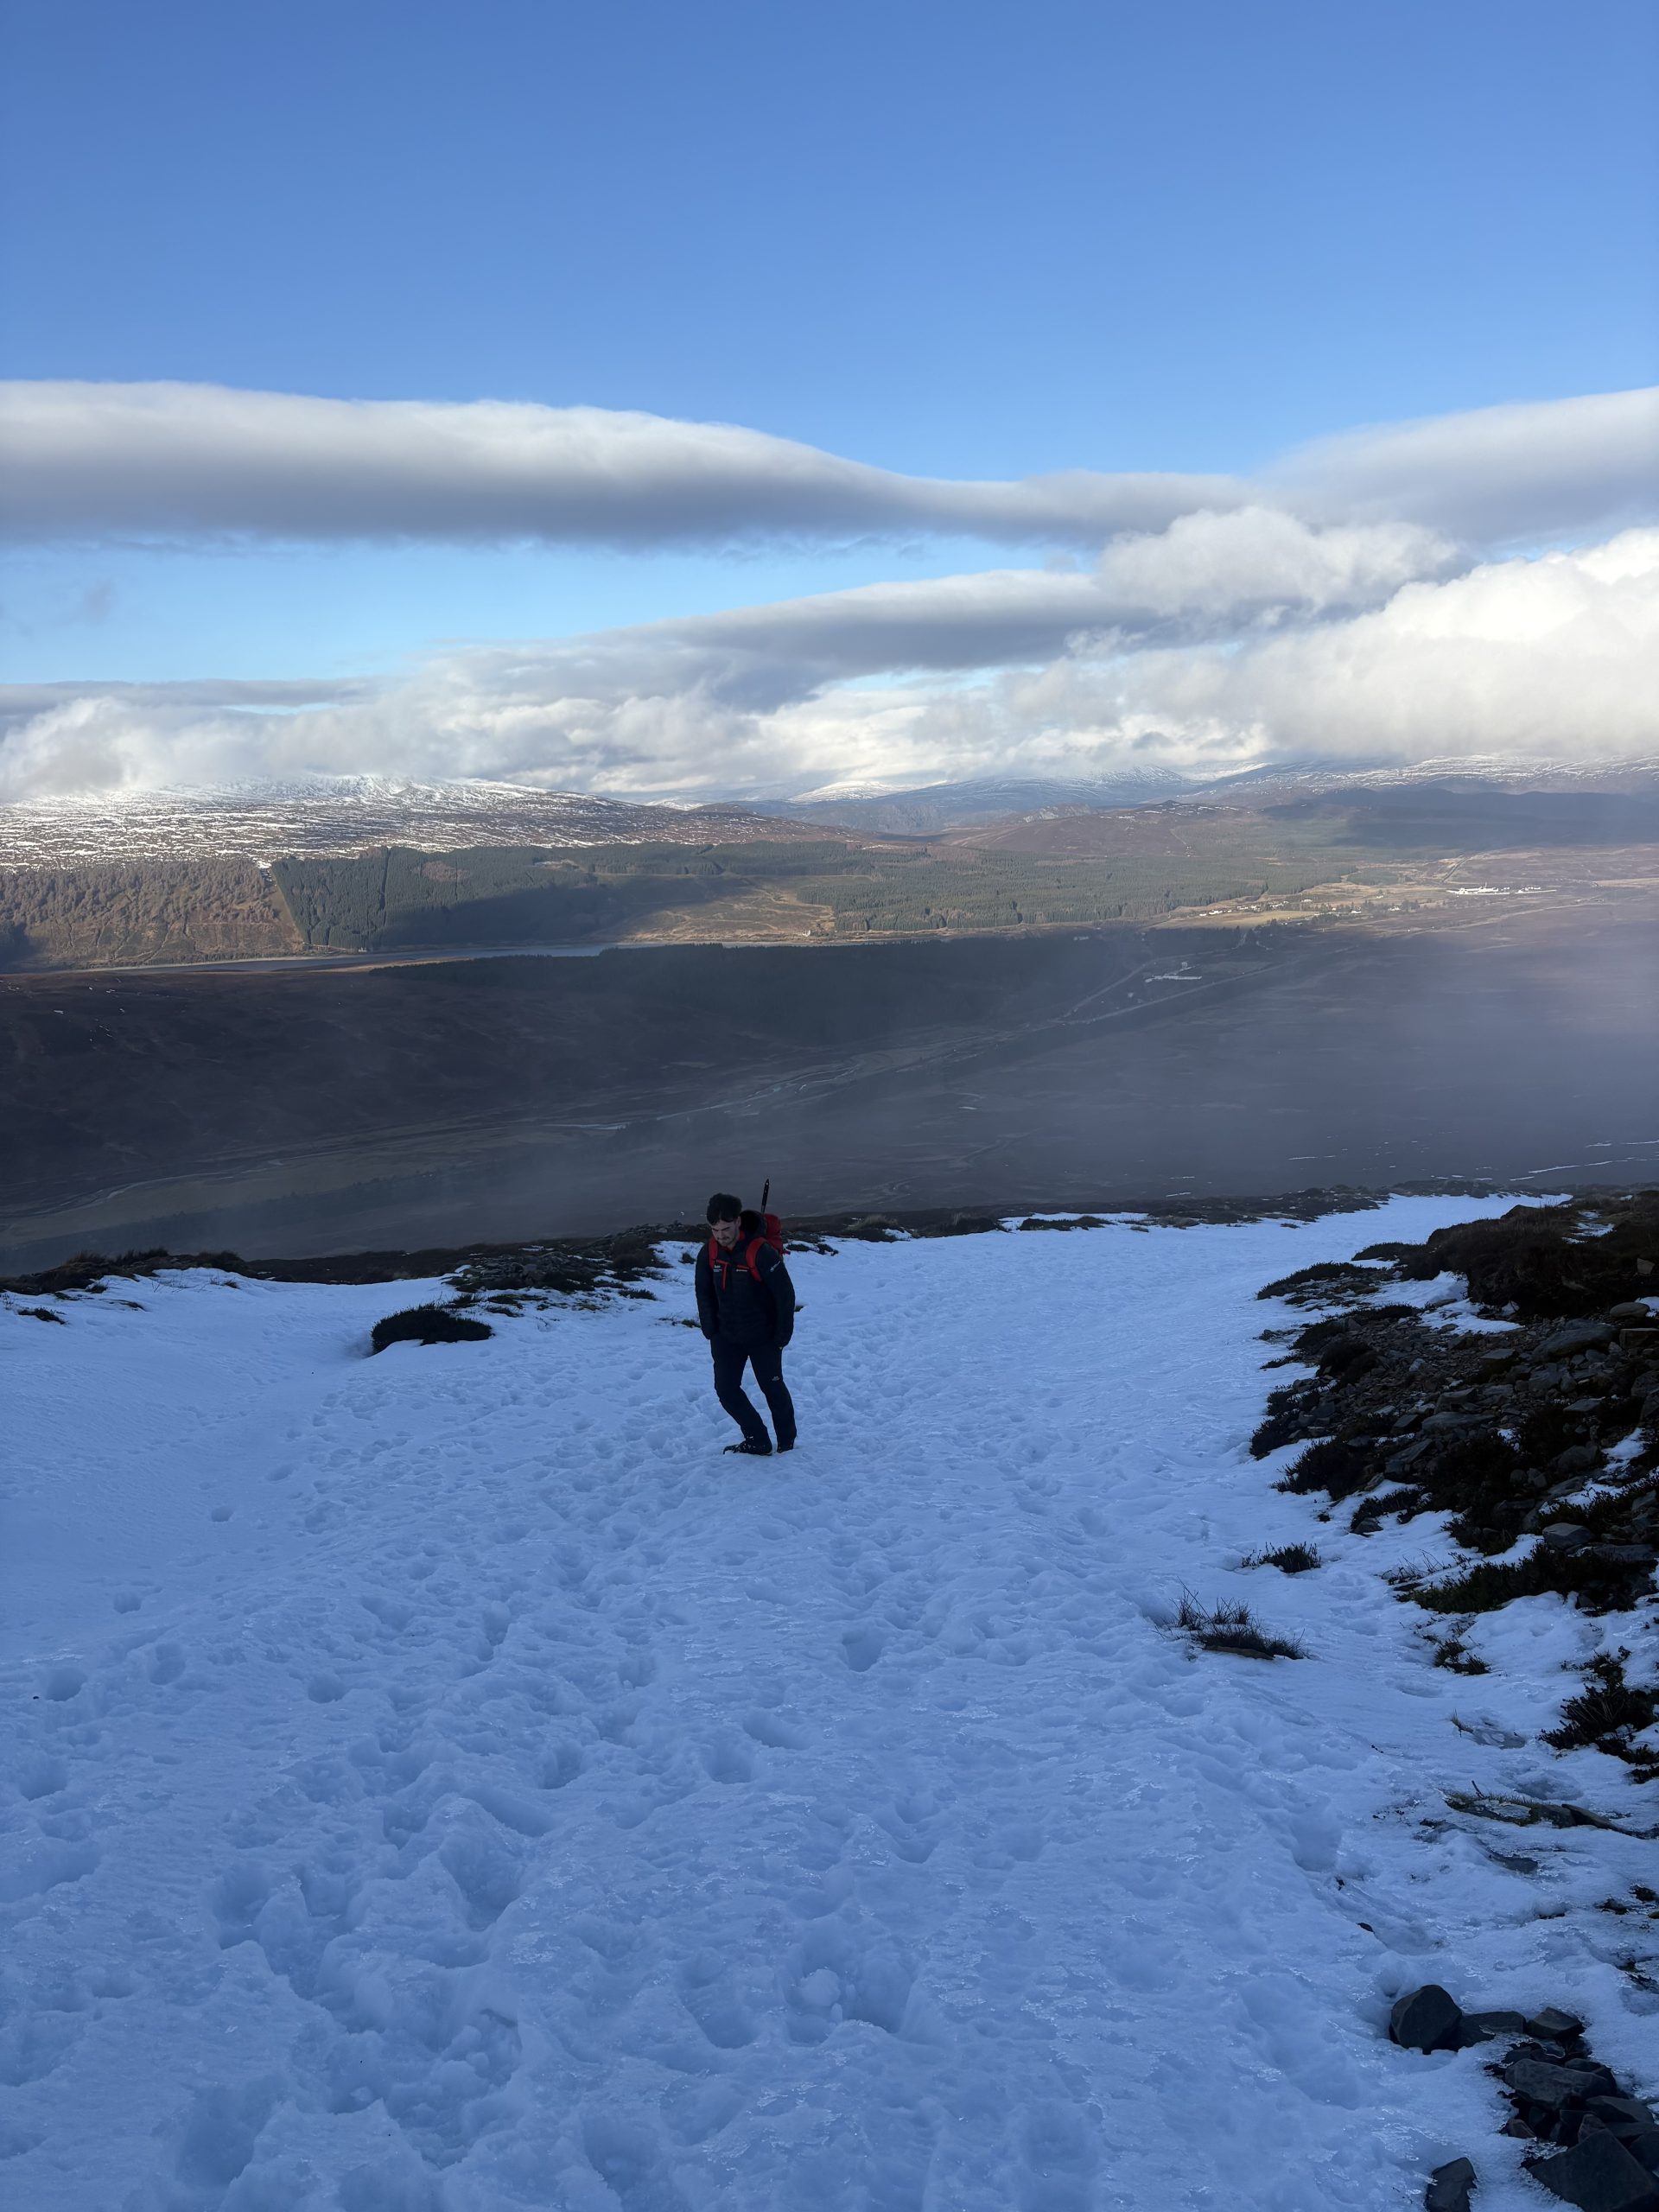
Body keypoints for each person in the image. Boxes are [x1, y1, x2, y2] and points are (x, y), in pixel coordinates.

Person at [695, 1192, 797, 1455]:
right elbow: (703, 1291)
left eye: (726, 1228)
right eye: (715, 1229)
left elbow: (785, 1295)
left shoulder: (761, 1252)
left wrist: (781, 1336)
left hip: (764, 1335)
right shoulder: (709, 1252)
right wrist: (711, 1330)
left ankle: (787, 1444)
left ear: (738, 1221)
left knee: (772, 1387)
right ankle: (758, 1439)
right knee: (726, 1390)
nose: (721, 1235)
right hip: (726, 1335)